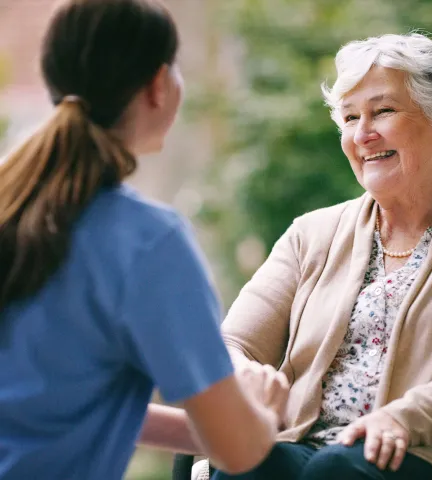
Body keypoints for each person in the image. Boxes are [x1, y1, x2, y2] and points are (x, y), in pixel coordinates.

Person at [0, 0, 290, 478]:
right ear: (158, 85)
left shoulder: (17, 208)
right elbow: (241, 453)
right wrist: (261, 411)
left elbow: (55, 403)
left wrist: (215, 424)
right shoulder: (149, 243)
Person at [209, 33, 432, 480]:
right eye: (350, 117)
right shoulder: (311, 234)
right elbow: (233, 343)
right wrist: (245, 378)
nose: (362, 134)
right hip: (306, 444)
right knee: (247, 466)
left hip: (429, 452)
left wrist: (404, 418)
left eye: (383, 111)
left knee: (336, 471)